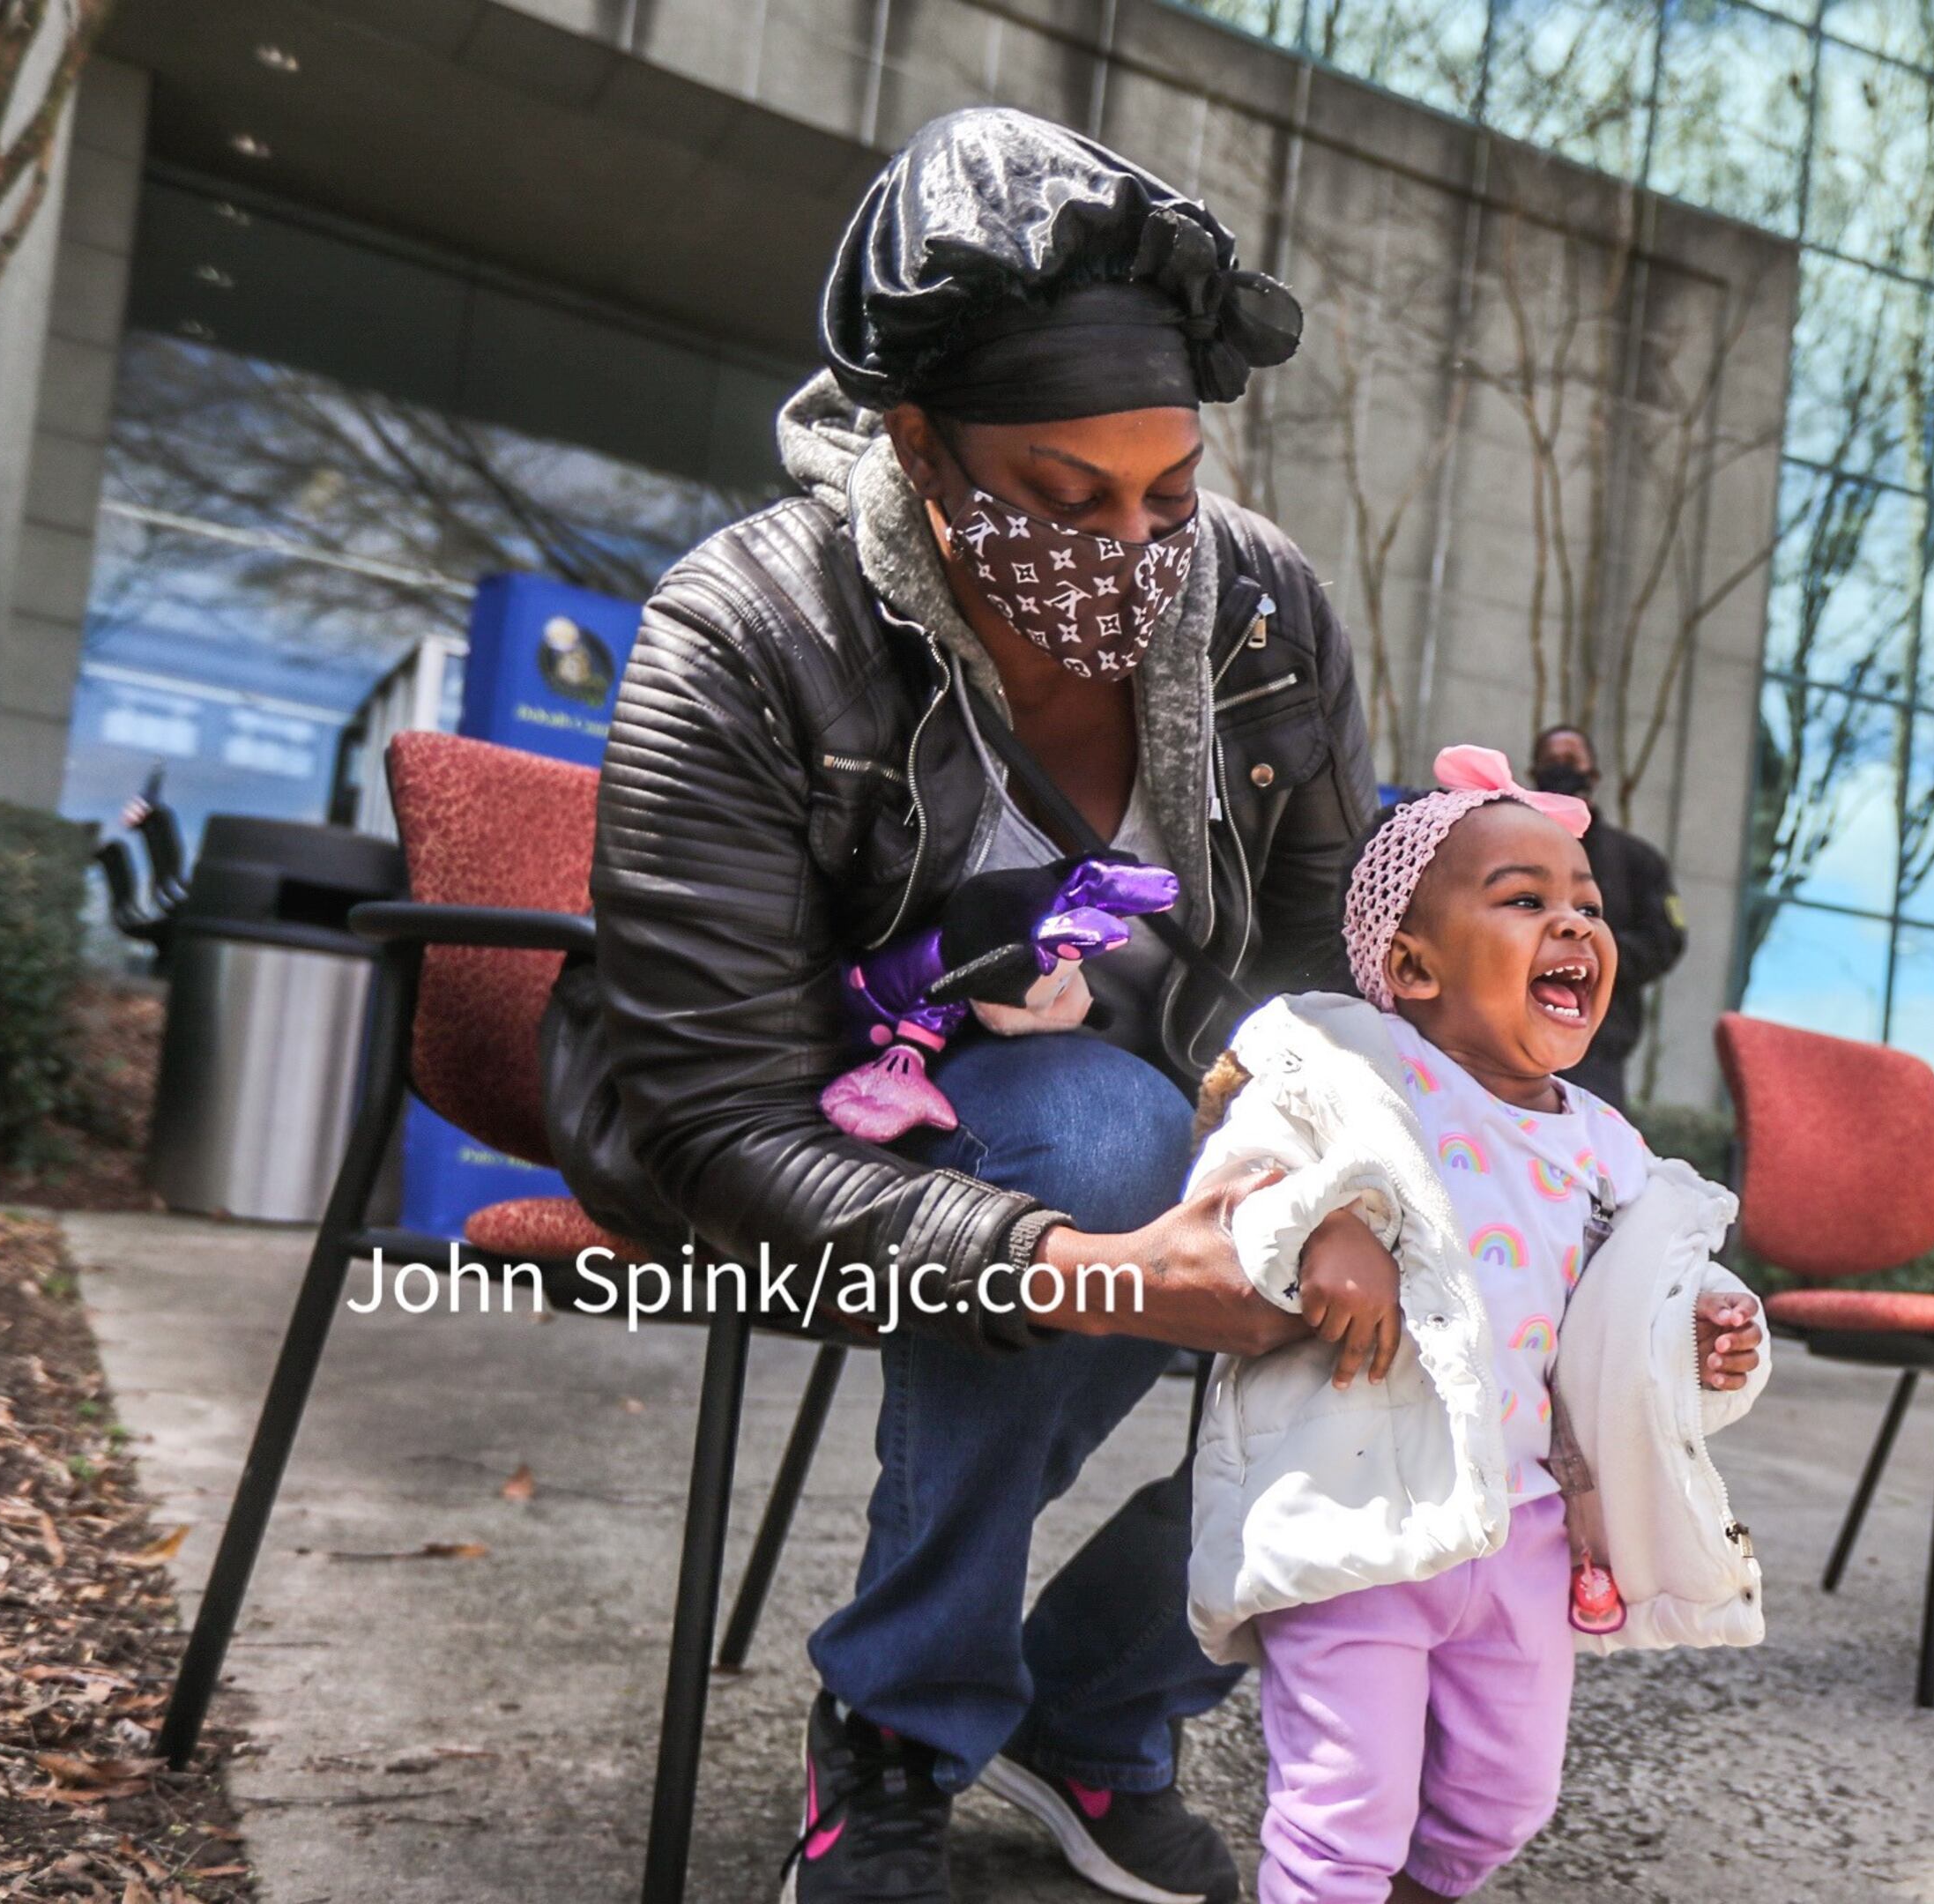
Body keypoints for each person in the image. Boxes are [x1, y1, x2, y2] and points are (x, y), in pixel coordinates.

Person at [539, 108, 1372, 1904]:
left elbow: (1321, 947)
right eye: (1067, 499)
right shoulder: (748, 629)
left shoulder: (1266, 614)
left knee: (1420, 1237)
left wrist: (1308, 1144)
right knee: (1095, 1133)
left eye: (1170, 491)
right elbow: (714, 1116)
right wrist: (1092, 1271)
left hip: (1155, 1122)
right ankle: (904, 1722)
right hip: (803, 1150)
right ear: (913, 444)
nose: (1136, 550)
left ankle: (1097, 1708)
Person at [1177, 744, 1769, 1904]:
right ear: (1412, 964)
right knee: (1347, 1797)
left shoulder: (1603, 1143)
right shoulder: (1359, 1062)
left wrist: (1704, 1322)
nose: (1575, 927)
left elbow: (1649, 1277)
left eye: (1586, 907)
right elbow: (1249, 1143)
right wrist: (1327, 1225)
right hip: (1362, 1509)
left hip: (1528, 1530)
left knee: (1508, 1795)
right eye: (1526, 901)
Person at [1524, 725, 1685, 1107]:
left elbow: (1666, 940)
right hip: (1511, 1032)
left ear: (1593, 775)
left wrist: (1590, 952)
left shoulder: (1638, 861)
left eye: (1571, 761)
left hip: (1598, 1046)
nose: (1561, 769)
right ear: (1534, 773)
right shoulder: (1509, 845)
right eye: (1552, 762)